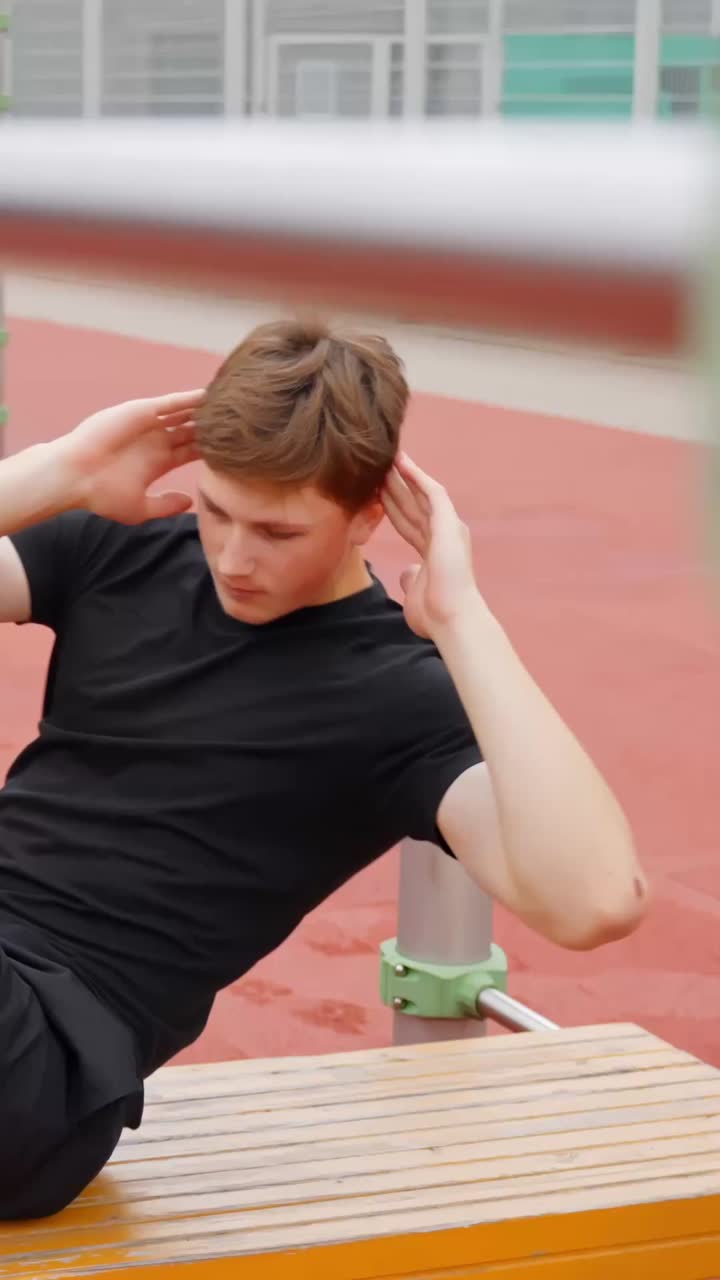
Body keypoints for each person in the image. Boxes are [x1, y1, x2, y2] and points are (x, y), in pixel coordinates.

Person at [0, 317, 647, 1219]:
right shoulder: (123, 544)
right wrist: (58, 472)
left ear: (369, 514)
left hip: (44, 1069)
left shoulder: (397, 692)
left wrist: (464, 620)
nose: (233, 556)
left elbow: (595, 901)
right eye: (218, 511)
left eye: (276, 531)